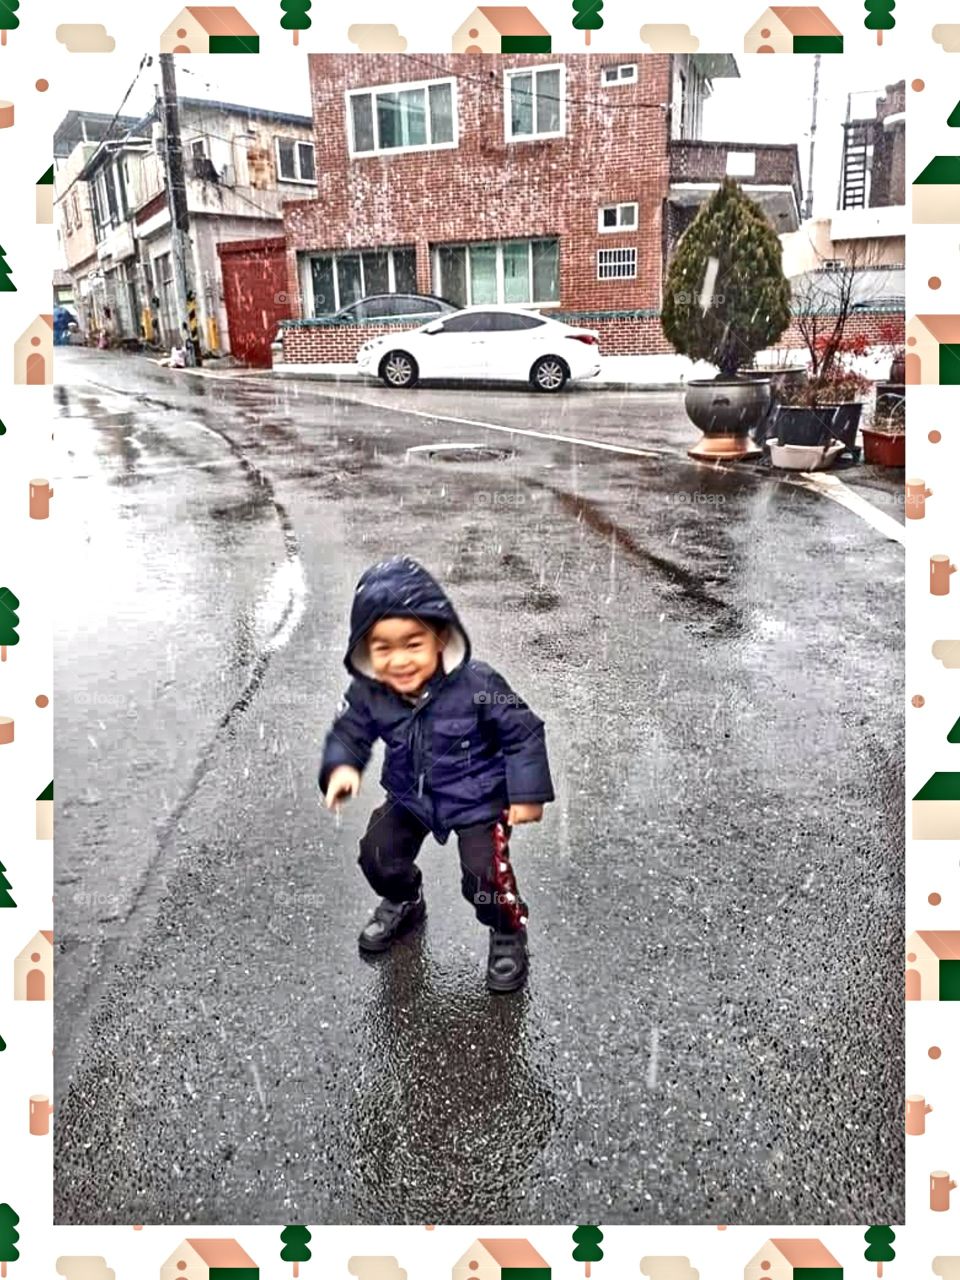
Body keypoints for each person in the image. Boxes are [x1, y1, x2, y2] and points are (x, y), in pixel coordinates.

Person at [319, 555, 554, 993]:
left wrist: (526, 793)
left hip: (479, 798)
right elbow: (349, 730)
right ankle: (406, 898)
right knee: (377, 852)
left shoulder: (478, 684)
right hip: (412, 794)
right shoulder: (372, 693)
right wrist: (341, 767)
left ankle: (507, 927)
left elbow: (523, 734)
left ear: (440, 637)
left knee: (485, 876)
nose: (400, 661)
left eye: (413, 644)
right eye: (383, 648)